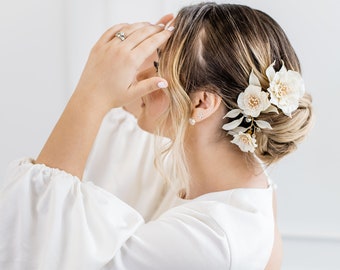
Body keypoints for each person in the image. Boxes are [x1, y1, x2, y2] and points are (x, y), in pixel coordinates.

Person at [0, 2, 313, 270]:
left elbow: (39, 243)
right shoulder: (248, 178)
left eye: (157, 64)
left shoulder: (212, 240)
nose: (140, 74)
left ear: (202, 103)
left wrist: (91, 93)